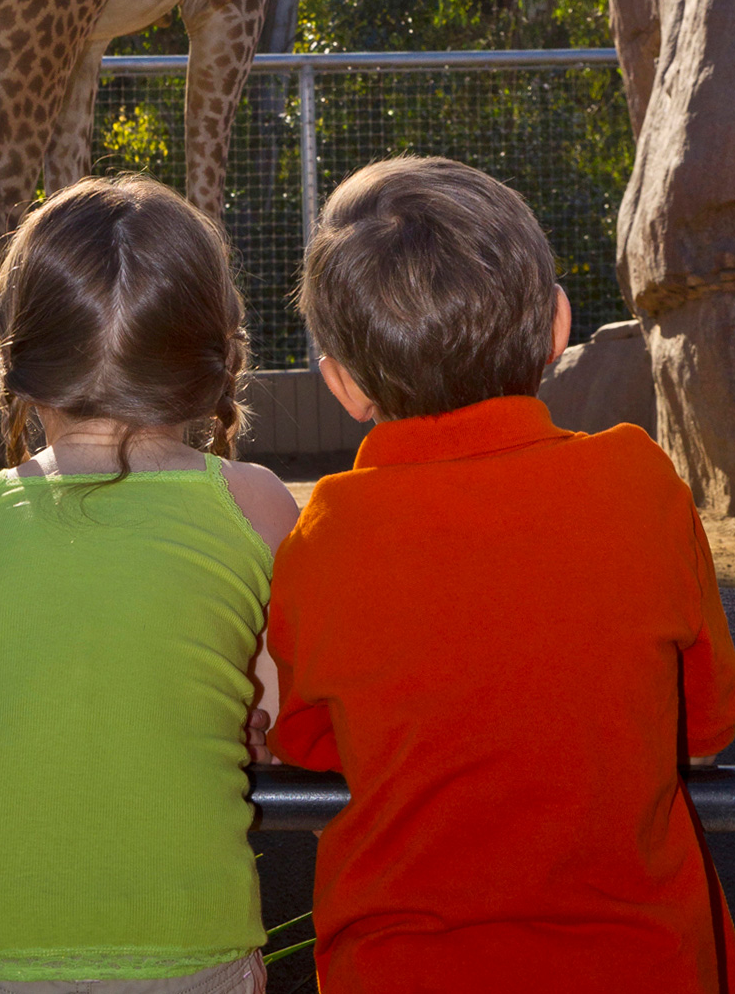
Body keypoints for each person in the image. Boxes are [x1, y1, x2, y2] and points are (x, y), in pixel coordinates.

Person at [268, 153, 735, 994]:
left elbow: (309, 739)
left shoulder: (325, 535)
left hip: (400, 968)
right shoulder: (641, 482)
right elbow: (702, 724)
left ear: (341, 382)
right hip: (644, 967)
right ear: (558, 327)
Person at [0, 173, 298, 994]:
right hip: (185, 946)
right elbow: (281, 718)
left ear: (16, 355)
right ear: (211, 353)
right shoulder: (253, 505)